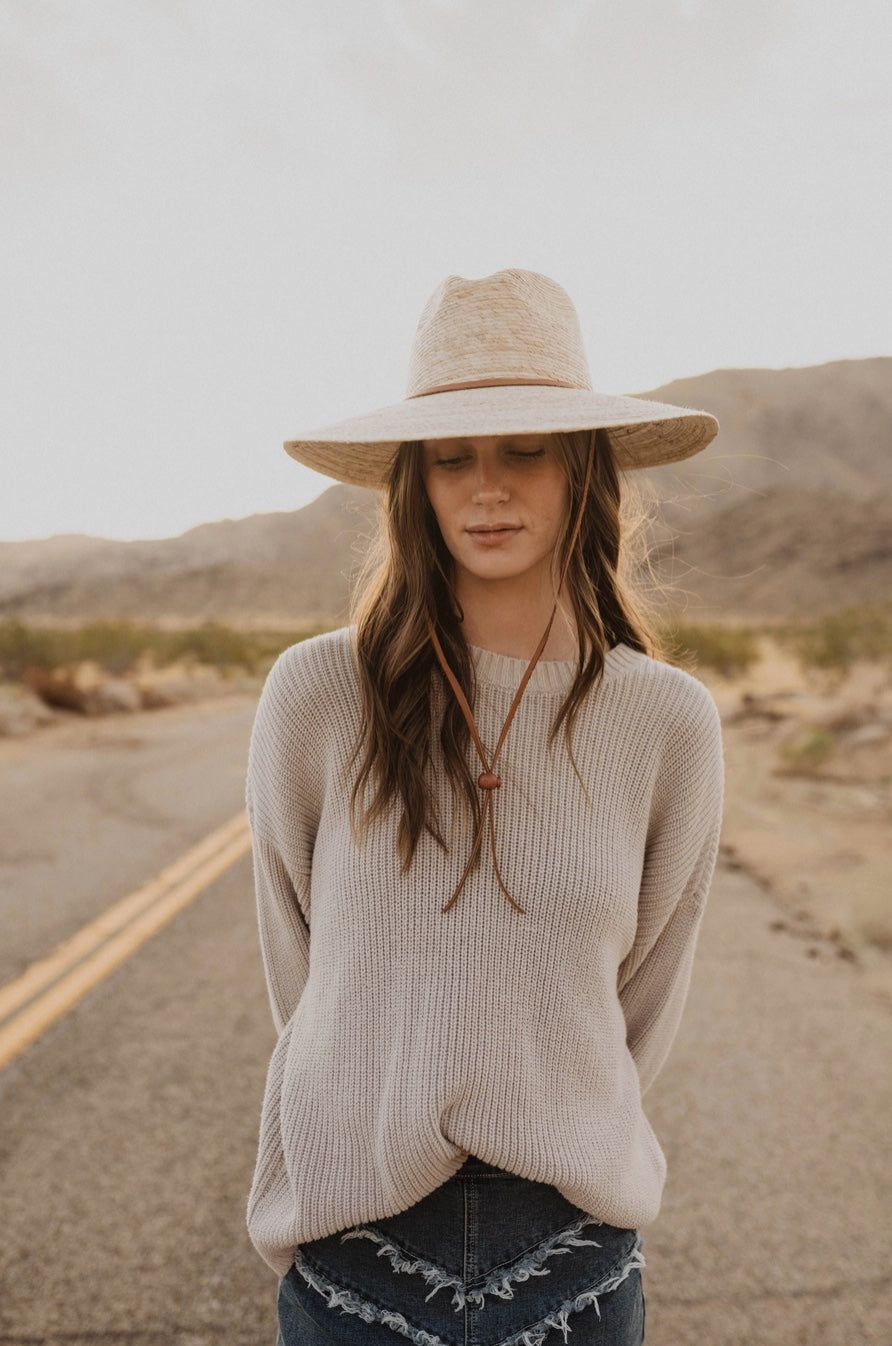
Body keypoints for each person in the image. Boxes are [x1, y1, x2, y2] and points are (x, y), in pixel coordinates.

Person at [245, 269, 724, 1346]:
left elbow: (642, 997)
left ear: (583, 467)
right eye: (452, 456)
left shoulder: (666, 721)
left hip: (572, 1261)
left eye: (525, 448)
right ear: (414, 480)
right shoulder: (319, 693)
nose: (486, 487)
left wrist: (542, 1109)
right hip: (354, 1253)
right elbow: (301, 970)